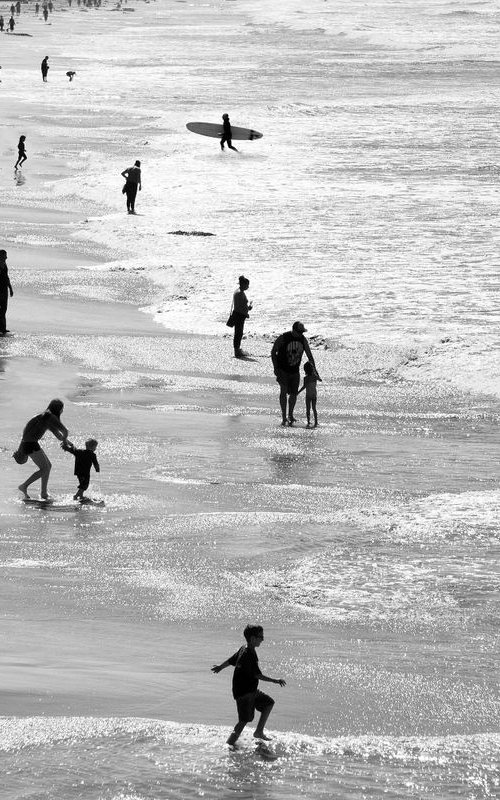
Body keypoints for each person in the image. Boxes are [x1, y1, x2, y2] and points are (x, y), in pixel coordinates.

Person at [212, 625, 286, 748]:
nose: (263, 639)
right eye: (260, 637)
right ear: (252, 638)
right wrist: (274, 680)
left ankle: (258, 732)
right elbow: (257, 675)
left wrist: (220, 667)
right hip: (244, 693)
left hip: (250, 690)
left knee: (268, 703)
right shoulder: (248, 654)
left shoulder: (245, 648)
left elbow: (231, 661)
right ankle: (229, 744)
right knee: (243, 720)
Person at [17, 399, 70, 501]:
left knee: (48, 466)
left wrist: (67, 442)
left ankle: (44, 493)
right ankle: (24, 486)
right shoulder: (50, 417)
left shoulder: (45, 416)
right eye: (62, 409)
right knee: (44, 468)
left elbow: (59, 435)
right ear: (58, 409)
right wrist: (65, 442)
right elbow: (65, 431)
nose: (62, 411)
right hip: (29, 444)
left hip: (29, 443)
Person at [271, 321, 320, 427]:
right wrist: (275, 367)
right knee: (283, 391)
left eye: (302, 332)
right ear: (293, 330)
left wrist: (314, 371)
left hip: (295, 371)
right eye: (299, 332)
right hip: (282, 370)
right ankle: (284, 416)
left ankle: (290, 415)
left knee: (293, 394)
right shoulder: (283, 337)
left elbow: (309, 355)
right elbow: (273, 351)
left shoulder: (303, 339)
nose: (301, 334)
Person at [232, 275, 252, 358]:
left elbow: (239, 305)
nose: (248, 287)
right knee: (238, 333)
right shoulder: (240, 293)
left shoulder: (237, 291)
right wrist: (249, 308)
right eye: (247, 285)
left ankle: (237, 349)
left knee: (238, 333)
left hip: (237, 314)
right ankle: (237, 351)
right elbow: (243, 307)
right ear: (243, 285)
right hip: (240, 315)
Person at [297, 361, 322, 427]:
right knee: (314, 408)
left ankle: (308, 421)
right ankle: (316, 422)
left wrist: (298, 392)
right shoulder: (315, 377)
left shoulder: (306, 378)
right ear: (312, 369)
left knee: (308, 409)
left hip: (308, 395)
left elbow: (304, 387)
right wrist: (316, 373)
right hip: (314, 395)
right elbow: (320, 380)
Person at [0, 250, 14, 336]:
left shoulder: (4, 265)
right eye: (5, 255)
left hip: (4, 289)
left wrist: (10, 288)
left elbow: (6, 277)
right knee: (1, 309)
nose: (6, 257)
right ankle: (2, 328)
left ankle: (3, 328)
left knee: (4, 309)